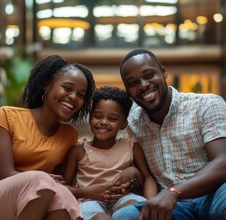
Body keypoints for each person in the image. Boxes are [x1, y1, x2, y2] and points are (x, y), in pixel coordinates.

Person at [115, 49, 226, 220]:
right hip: (174, 208)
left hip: (217, 194)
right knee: (126, 215)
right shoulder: (133, 123)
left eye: (149, 75)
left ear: (163, 72)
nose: (143, 85)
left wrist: (174, 191)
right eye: (133, 83)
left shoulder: (206, 104)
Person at [0, 55, 96, 220]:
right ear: (47, 86)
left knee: (63, 197)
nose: (73, 97)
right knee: (42, 181)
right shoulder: (6, 116)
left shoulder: (69, 134)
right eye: (67, 88)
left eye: (81, 95)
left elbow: (57, 183)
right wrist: (45, 180)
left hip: (31, 198)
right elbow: (4, 174)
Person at [63, 86, 158, 220]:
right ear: (90, 118)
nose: (103, 122)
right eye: (97, 116)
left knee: (130, 211)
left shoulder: (131, 146)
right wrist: (86, 192)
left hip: (124, 198)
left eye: (112, 119)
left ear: (123, 124)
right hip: (89, 201)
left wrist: (150, 202)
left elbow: (147, 179)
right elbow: (64, 188)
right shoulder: (79, 150)